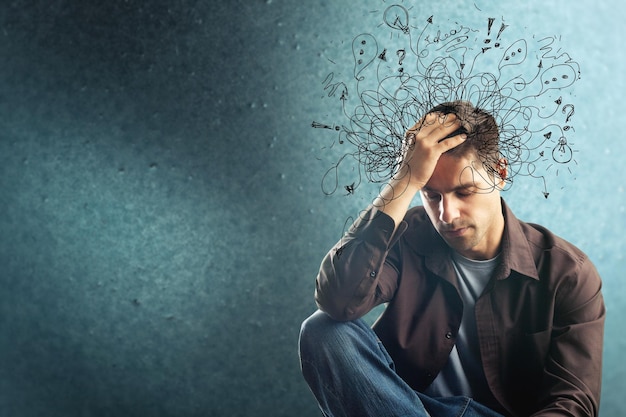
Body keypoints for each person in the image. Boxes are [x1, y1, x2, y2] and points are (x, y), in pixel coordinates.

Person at [298, 101, 605, 417]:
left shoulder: (568, 274)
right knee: (323, 330)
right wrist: (405, 180)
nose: (447, 214)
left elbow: (573, 404)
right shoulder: (408, 238)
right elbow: (338, 300)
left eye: (464, 191)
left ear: (500, 173)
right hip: (405, 409)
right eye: (431, 195)